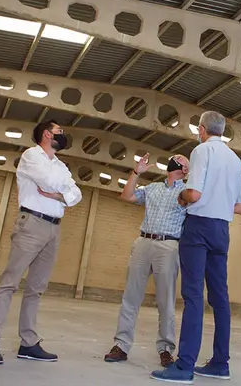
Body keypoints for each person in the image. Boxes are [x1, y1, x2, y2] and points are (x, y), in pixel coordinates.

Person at [151, 111, 241, 384]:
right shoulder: (235, 159)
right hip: (221, 230)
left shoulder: (202, 151)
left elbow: (193, 194)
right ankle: (220, 363)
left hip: (199, 228)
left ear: (202, 129)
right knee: (220, 298)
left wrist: (182, 197)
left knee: (193, 296)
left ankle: (184, 366)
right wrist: (219, 200)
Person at [0, 120, 82, 364]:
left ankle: (28, 343)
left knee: (36, 288)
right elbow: (47, 183)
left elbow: (76, 194)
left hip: (54, 228)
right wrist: (63, 194)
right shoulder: (31, 156)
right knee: (9, 283)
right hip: (31, 223)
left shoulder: (60, 165)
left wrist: (61, 195)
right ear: (47, 134)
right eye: (60, 131)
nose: (63, 135)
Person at [103, 153, 190, 368]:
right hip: (144, 242)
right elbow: (127, 196)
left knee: (165, 300)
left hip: (169, 245)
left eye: (180, 158)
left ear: (186, 169)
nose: (174, 158)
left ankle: (166, 349)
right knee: (131, 296)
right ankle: (121, 346)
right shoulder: (152, 188)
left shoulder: (187, 193)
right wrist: (135, 173)